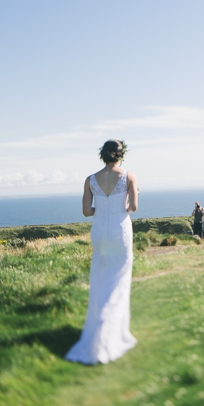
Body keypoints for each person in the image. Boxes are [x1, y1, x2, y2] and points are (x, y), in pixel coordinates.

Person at [66, 139, 138, 365]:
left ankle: (98, 330)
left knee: (100, 278)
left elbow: (87, 211)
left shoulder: (90, 179)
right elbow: (133, 207)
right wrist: (121, 206)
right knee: (119, 280)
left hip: (100, 233)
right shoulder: (129, 176)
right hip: (120, 231)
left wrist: (102, 208)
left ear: (102, 155)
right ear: (121, 154)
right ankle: (111, 332)